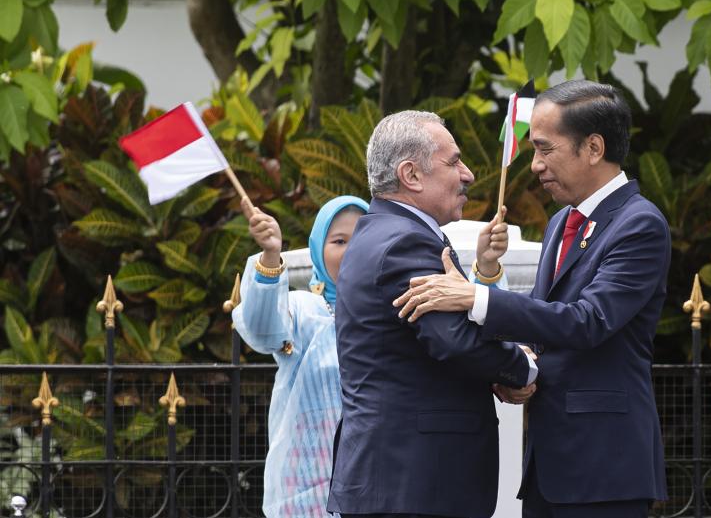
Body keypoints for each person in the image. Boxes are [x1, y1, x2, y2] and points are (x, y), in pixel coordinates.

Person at [394, 80, 670, 518]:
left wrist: (474, 298)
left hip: (604, 466)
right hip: (548, 464)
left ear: (593, 147)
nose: (535, 165)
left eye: (545, 149)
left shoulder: (640, 224)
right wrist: (519, 363)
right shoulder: (562, 221)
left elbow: (587, 321)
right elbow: (546, 326)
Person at [328, 110, 538, 518]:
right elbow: (452, 340)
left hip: (402, 480)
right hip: (415, 482)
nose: (469, 174)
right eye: (454, 161)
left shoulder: (384, 233)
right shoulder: (404, 243)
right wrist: (521, 367)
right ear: (411, 174)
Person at [232, 194, 369, 518]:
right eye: (339, 240)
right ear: (319, 249)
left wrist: (487, 270)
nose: (352, 250)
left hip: (376, 490)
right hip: (306, 494)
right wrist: (270, 255)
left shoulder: (395, 314)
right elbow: (264, 330)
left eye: (363, 239)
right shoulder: (304, 310)